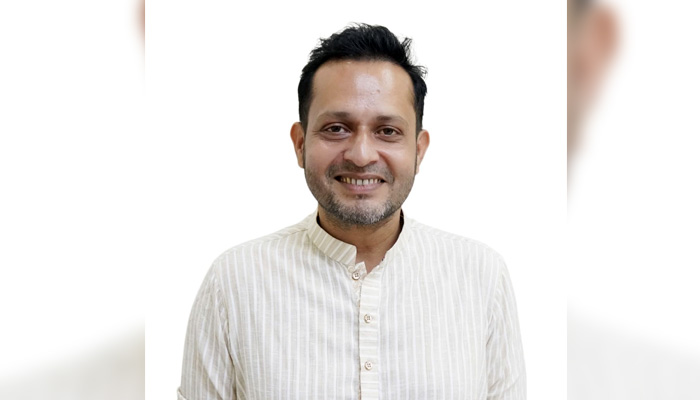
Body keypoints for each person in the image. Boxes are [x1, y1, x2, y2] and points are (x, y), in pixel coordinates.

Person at [178, 23, 525, 400]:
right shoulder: (233, 283)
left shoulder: (481, 277)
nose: (361, 155)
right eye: (336, 128)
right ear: (300, 144)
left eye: (387, 131)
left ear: (419, 150)